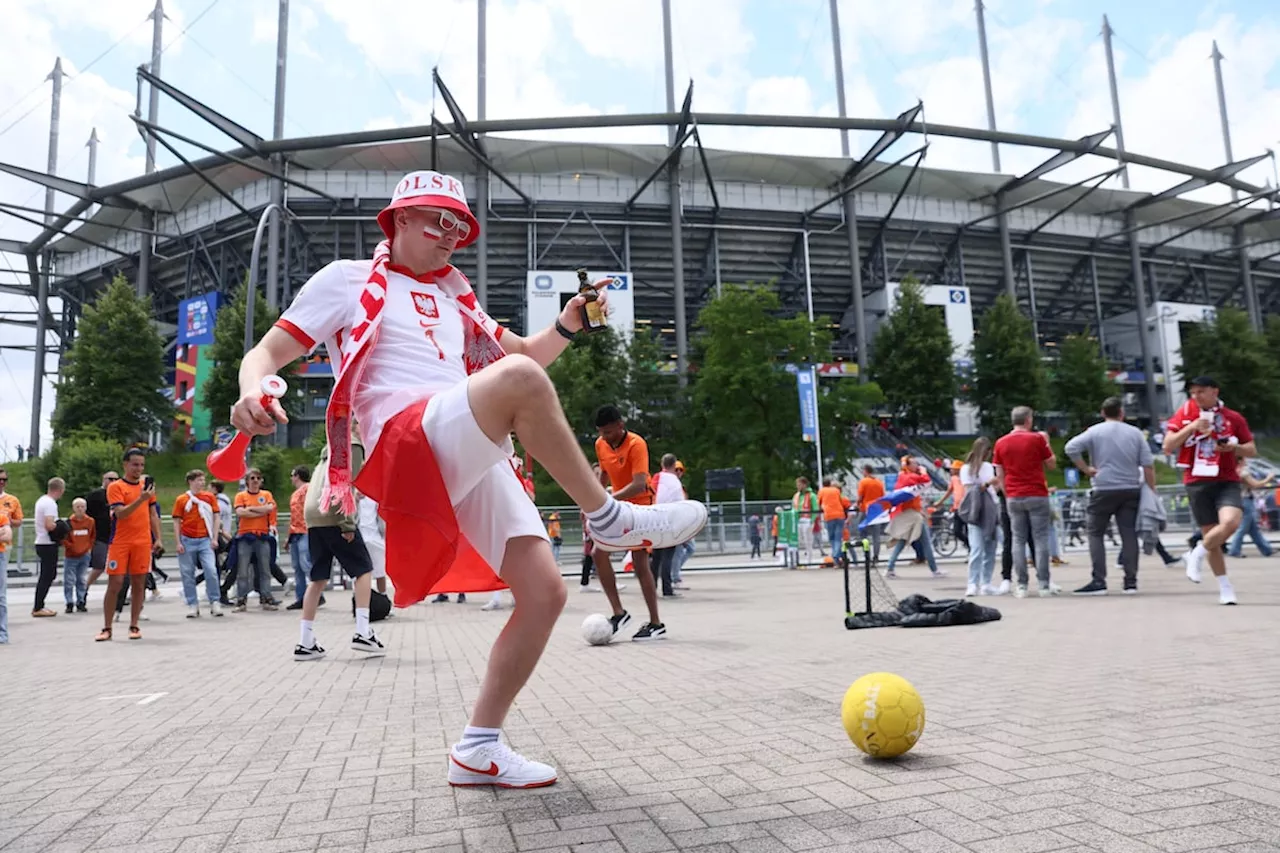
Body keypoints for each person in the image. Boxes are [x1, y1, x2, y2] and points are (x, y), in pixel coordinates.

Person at [230, 168, 705, 789]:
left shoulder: (458, 297)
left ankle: (478, 748)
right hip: (402, 436)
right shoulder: (345, 280)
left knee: (545, 594)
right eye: (438, 222)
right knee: (523, 386)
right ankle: (609, 518)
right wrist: (250, 392)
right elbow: (266, 352)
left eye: (460, 226)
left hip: (457, 429)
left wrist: (568, 325)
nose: (452, 235)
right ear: (398, 219)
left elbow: (523, 355)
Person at [1162, 376, 1255, 605]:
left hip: (1226, 479)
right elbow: (1168, 445)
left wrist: (1234, 447)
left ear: (1215, 391)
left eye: (1201, 391)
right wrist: (1191, 427)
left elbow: (1252, 449)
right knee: (1211, 534)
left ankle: (1195, 553)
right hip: (1197, 480)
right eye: (1193, 392)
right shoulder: (1185, 414)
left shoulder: (1232, 417)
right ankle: (1225, 587)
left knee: (1231, 522)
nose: (1197, 396)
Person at [296, 436, 384, 660]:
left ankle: (305, 641)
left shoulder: (328, 450)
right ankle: (363, 631)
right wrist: (347, 523)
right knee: (364, 570)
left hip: (315, 517)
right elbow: (344, 483)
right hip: (336, 516)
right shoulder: (352, 444)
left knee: (318, 579)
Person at [1064, 396, 1155, 595]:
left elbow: (1070, 447)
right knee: (1128, 534)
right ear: (1121, 413)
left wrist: (1086, 469)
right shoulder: (1135, 433)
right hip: (1130, 488)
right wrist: (1152, 491)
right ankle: (1130, 582)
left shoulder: (1094, 431)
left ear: (1103, 413)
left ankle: (1099, 581)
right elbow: (1148, 464)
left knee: (1095, 533)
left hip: (1103, 488)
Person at [593, 405, 669, 637]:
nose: (606, 437)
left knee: (639, 561)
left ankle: (656, 623)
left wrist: (607, 500)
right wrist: (594, 498)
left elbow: (638, 483)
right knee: (598, 553)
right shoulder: (600, 444)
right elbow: (604, 473)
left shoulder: (637, 444)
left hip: (640, 506)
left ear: (620, 425)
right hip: (617, 506)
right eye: (602, 432)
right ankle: (619, 612)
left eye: (609, 432)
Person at [993, 406, 1060, 598]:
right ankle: (1044, 584)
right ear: (1028, 420)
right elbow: (1051, 464)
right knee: (1040, 539)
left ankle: (1021, 585)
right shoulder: (1037, 439)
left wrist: (1008, 494)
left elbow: (1000, 473)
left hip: (1014, 496)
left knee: (1017, 539)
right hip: (1037, 493)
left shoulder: (1001, 443)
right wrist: (1047, 444)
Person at [97, 449, 162, 641]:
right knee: (115, 583)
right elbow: (120, 513)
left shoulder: (147, 487)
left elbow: (152, 514)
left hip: (142, 541)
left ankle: (134, 625)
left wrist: (158, 538)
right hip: (120, 541)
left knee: (139, 583)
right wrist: (140, 499)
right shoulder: (116, 487)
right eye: (135, 464)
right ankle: (107, 627)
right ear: (125, 465)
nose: (138, 468)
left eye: (141, 465)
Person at [172, 470, 223, 618]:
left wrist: (214, 537)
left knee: (211, 570)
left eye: (203, 480)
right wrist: (178, 541)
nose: (202, 483)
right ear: (191, 481)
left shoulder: (209, 497)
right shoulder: (182, 499)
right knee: (187, 573)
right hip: (187, 539)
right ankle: (192, 604)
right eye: (199, 480)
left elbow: (216, 516)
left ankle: (215, 601)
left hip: (205, 539)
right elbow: (177, 521)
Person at [233, 468, 281, 611]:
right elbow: (240, 512)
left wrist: (251, 510)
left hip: (262, 535)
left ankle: (266, 597)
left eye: (258, 478)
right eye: (252, 478)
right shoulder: (240, 496)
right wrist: (261, 510)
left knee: (265, 569)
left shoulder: (266, 494)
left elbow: (270, 509)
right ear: (247, 481)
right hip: (245, 536)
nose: (255, 481)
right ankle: (241, 599)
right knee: (242, 570)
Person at [958, 438, 999, 596]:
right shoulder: (966, 469)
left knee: (990, 547)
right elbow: (970, 492)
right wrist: (988, 483)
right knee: (977, 548)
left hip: (990, 508)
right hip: (976, 510)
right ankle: (973, 583)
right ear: (986, 451)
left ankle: (985, 582)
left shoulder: (988, 467)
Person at [32, 477, 66, 618]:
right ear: (60, 489)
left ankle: (39, 604)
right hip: (47, 543)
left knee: (47, 575)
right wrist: (62, 526)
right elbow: (49, 524)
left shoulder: (42, 500)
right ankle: (38, 606)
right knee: (47, 575)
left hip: (41, 541)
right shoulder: (50, 503)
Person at [63, 498, 95, 613]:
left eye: (82, 507)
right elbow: (64, 538)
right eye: (78, 507)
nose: (80, 509)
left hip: (85, 554)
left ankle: (81, 600)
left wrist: (89, 547)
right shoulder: (69, 522)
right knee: (69, 579)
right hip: (71, 555)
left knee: (81, 579)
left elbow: (92, 536)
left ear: (85, 508)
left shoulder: (90, 521)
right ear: (74, 508)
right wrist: (71, 547)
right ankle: (69, 602)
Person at [287, 465, 313, 609]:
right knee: (297, 566)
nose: (291, 478)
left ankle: (315, 593)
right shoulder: (296, 493)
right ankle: (302, 596)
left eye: (292, 475)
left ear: (297, 476)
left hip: (305, 530)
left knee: (305, 563)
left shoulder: (307, 489)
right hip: (296, 532)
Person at [817, 478, 851, 559]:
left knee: (832, 538)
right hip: (840, 515)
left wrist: (820, 511)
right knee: (838, 537)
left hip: (829, 515)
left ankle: (836, 555)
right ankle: (838, 555)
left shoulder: (822, 491)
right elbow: (840, 501)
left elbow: (818, 503)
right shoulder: (836, 490)